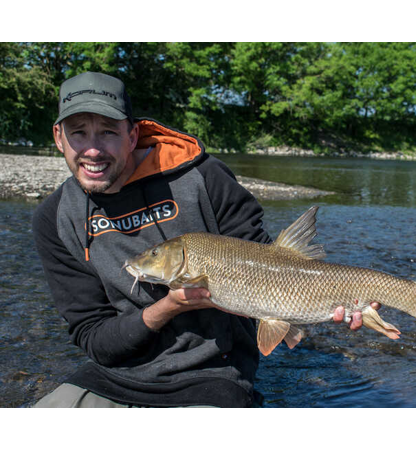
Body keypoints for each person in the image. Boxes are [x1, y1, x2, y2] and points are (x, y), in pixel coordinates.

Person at [32, 72, 363, 408]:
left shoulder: (203, 178)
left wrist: (332, 296)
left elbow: (273, 266)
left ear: (132, 136)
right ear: (59, 137)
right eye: (78, 133)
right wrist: (168, 307)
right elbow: (92, 336)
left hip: (213, 373)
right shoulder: (55, 218)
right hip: (117, 373)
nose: (92, 150)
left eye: (107, 132)